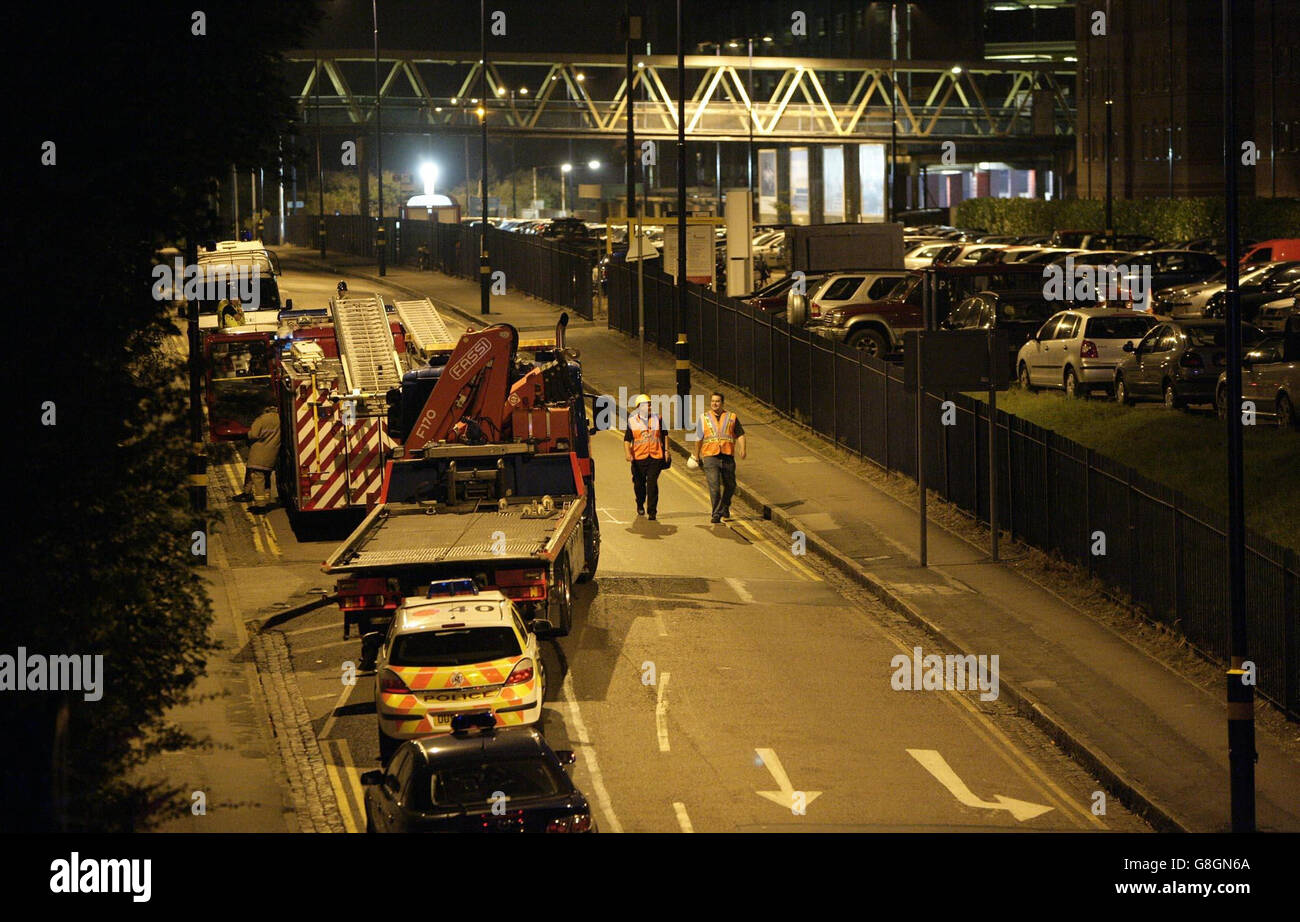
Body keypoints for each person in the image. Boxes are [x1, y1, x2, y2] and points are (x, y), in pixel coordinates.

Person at [691, 391, 746, 524]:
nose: (714, 403)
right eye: (712, 401)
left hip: (727, 455)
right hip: (710, 456)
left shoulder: (732, 417)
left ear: (722, 403)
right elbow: (698, 438)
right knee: (714, 486)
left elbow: (740, 434)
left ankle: (725, 506)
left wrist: (742, 448)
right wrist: (696, 455)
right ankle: (716, 513)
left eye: (717, 401)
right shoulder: (703, 417)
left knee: (731, 485)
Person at [624, 394, 669, 520]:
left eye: (650, 404)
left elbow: (665, 435)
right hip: (638, 458)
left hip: (655, 456)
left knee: (652, 483)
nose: (649, 406)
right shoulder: (632, 421)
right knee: (639, 485)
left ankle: (652, 511)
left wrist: (666, 451)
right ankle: (640, 503)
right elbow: (627, 439)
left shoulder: (658, 418)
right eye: (646, 404)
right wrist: (628, 453)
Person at [234, 404, 281, 503]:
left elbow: (253, 434)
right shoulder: (279, 419)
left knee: (258, 477)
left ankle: (260, 505)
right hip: (272, 454)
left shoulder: (261, 419)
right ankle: (265, 498)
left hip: (259, 454)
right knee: (266, 477)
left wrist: (247, 434)